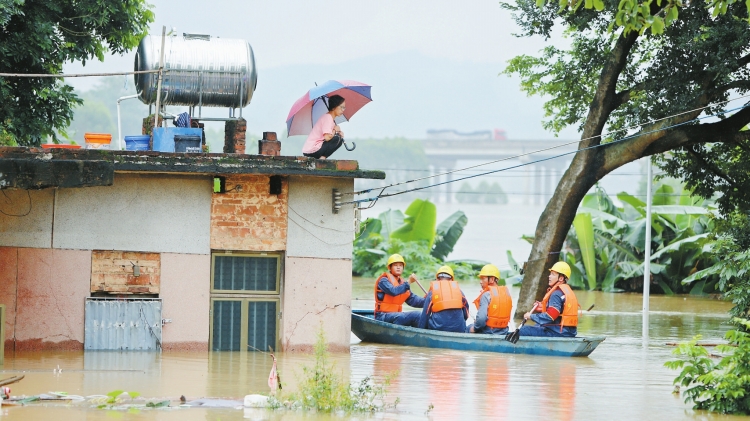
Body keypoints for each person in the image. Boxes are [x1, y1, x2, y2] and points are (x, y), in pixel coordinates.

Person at [519, 261, 578, 337]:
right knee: (538, 324)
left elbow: (551, 316)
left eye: (553, 274)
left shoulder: (556, 294)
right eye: (550, 274)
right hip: (569, 332)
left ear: (561, 278)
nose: (549, 276)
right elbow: (559, 310)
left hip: (557, 332)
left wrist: (531, 316)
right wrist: (542, 307)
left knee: (523, 330)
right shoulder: (566, 291)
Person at [374, 254, 425, 327]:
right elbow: (393, 291)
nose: (398, 267)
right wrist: (409, 282)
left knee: (418, 315)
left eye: (400, 265)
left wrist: (428, 300)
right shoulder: (384, 280)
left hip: (396, 316)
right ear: (390, 268)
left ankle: (420, 336)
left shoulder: (403, 284)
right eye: (395, 265)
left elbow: (413, 300)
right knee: (400, 317)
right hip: (382, 316)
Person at [418, 266, 470, 333]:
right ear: (451, 280)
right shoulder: (460, 292)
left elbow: (425, 315)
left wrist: (420, 331)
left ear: (438, 279)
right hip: (459, 329)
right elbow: (466, 313)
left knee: (417, 316)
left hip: (438, 328)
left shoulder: (432, 293)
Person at [467, 264, 512, 335]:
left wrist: (475, 328)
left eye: (483, 278)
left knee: (468, 328)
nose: (480, 282)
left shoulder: (486, 295)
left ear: (492, 279)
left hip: (488, 331)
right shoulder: (507, 294)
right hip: (503, 331)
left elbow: (481, 319)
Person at [302, 94, 346, 159]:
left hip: (313, 149)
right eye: (341, 107)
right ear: (334, 107)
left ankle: (323, 157)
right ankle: (322, 158)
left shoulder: (331, 119)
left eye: (344, 107)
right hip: (312, 149)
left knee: (339, 139)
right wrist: (335, 130)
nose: (343, 110)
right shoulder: (327, 118)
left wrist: (338, 133)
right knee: (337, 139)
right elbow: (327, 137)